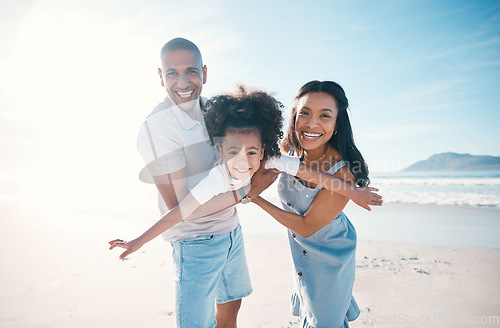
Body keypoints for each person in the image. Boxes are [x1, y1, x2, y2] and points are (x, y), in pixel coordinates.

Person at [110, 38, 276, 328]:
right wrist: (248, 192)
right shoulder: (157, 127)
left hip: (231, 231)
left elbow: (251, 149)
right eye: (172, 72)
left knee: (230, 309)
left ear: (205, 73)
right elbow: (180, 205)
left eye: (191, 71)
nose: (183, 81)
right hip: (195, 242)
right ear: (161, 77)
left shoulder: (215, 109)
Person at [109, 86, 382, 261]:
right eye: (233, 152)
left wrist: (354, 191)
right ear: (220, 149)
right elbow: (179, 213)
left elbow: (315, 175)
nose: (243, 162)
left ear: (263, 150)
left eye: (252, 152)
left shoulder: (274, 157)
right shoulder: (217, 178)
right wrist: (138, 241)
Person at [252, 80, 381, 327]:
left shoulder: (343, 174)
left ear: (336, 124)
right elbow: (262, 172)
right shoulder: (291, 148)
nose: (312, 124)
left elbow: (306, 226)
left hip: (330, 253)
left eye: (324, 115)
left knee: (324, 320)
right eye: (305, 113)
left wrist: (255, 200)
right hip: (301, 250)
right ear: (294, 117)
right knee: (310, 312)